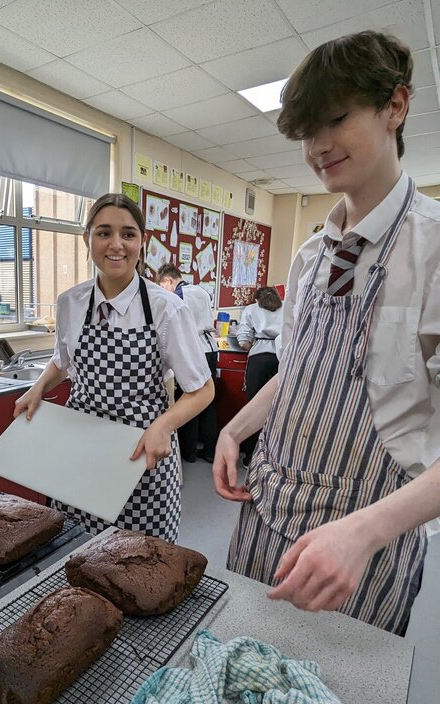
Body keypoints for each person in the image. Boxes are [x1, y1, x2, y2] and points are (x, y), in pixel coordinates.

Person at [213, 30, 440, 635]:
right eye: (306, 133)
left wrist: (364, 532)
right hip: (267, 511)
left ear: (395, 106)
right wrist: (236, 429)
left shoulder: (434, 248)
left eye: (335, 119)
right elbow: (302, 370)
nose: (318, 147)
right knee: (238, 672)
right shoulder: (314, 256)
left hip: (362, 540)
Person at [14, 194, 214, 542]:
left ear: (142, 242)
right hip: (81, 444)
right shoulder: (70, 303)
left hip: (141, 447)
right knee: (77, 545)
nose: (116, 245)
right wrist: (37, 389)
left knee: (140, 553)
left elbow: (201, 389)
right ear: (87, 239)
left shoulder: (166, 309)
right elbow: (63, 361)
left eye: (128, 234)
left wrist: (164, 426)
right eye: (104, 233)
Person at [156, 263, 218, 463]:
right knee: (208, 401)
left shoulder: (178, 296)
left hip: (195, 349)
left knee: (189, 396)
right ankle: (210, 451)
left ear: (167, 280)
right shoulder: (201, 291)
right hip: (211, 349)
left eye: (162, 286)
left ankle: (188, 452)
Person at [235, 286, 283, 466]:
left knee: (253, 409)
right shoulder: (286, 307)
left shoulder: (251, 309)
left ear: (257, 299)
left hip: (259, 360)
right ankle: (273, 458)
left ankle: (250, 457)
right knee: (278, 409)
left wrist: (254, 345)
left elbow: (243, 341)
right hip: (282, 359)